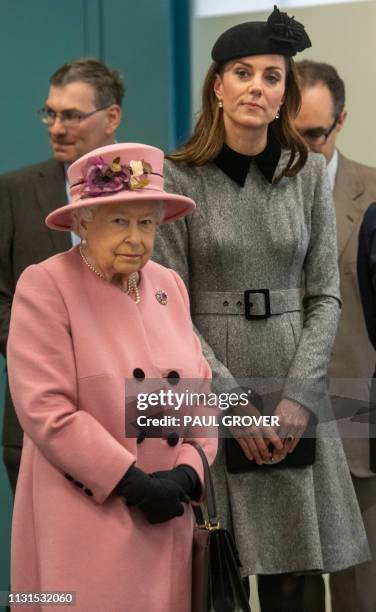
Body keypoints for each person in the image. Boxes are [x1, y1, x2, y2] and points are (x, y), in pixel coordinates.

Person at [153, 7, 370, 611]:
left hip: (295, 385)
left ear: (284, 93)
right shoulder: (178, 179)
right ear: (218, 86)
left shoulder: (305, 173)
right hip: (213, 389)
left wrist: (299, 395)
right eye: (242, 73)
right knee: (219, 570)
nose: (257, 87)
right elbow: (170, 308)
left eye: (271, 77)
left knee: (295, 580)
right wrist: (231, 404)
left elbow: (324, 292)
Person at [6, 142, 217, 612]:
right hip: (89, 517)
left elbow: (200, 398)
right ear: (82, 222)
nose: (136, 238)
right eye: (119, 220)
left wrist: (186, 473)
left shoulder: (169, 285)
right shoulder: (46, 285)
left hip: (169, 517)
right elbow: (48, 411)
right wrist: (133, 483)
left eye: (146, 222)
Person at [0, 57, 123, 492]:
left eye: (71, 115)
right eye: (50, 113)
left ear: (112, 118)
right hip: (37, 423)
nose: (56, 127)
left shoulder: (145, 196)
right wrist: (40, 353)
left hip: (130, 416)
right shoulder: (14, 191)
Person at [295, 60, 376, 612]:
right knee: (288, 588)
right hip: (274, 410)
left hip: (358, 417)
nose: (299, 149)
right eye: (288, 133)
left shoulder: (373, 192)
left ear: (341, 122)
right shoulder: (253, 196)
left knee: (359, 593)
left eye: (313, 135)